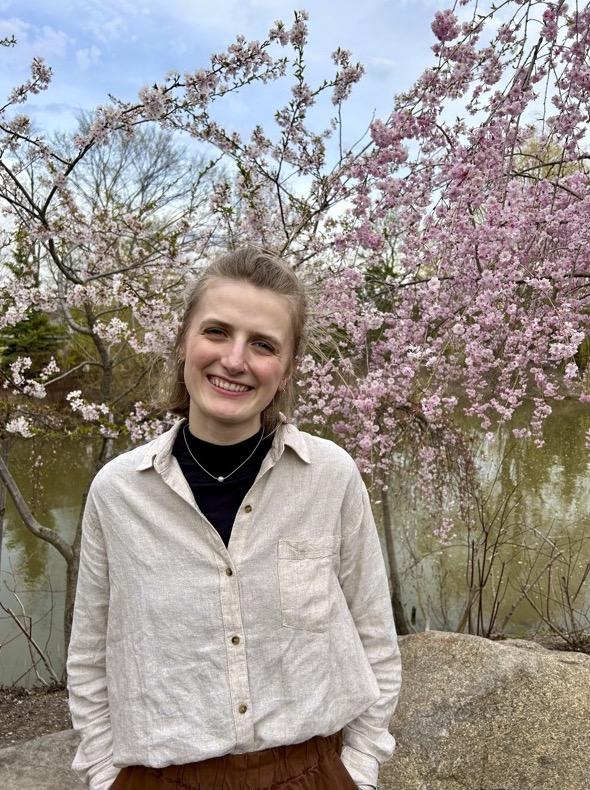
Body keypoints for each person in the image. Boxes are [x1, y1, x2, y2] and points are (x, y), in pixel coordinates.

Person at [67, 246, 402, 790]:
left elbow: (373, 635)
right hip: (158, 778)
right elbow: (90, 657)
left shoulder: (330, 477)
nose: (235, 360)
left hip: (311, 773)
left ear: (288, 367)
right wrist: (106, 774)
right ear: (183, 342)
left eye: (263, 344)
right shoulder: (118, 493)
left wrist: (360, 766)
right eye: (217, 332)